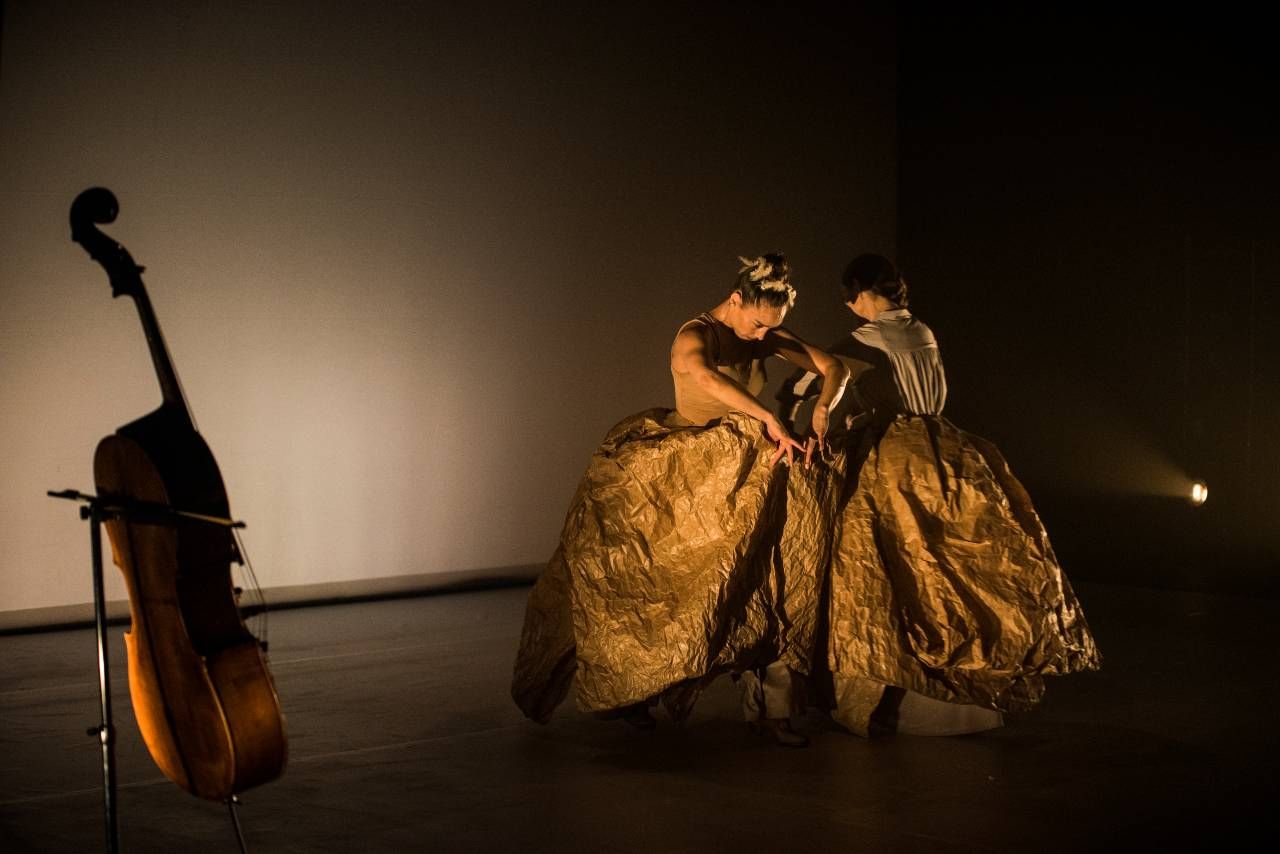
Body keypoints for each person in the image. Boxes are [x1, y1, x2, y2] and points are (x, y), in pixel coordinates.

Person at [511, 253, 850, 747]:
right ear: (736, 300)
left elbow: (832, 366)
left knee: (773, 578)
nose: (762, 337)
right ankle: (630, 691)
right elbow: (705, 378)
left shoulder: (765, 333)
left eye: (772, 328)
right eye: (757, 324)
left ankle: (773, 711)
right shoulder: (695, 334)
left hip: (751, 470)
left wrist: (823, 405)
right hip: (692, 470)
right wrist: (768, 417)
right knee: (664, 586)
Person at [779, 254, 1101, 736]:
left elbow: (811, 377)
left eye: (852, 298)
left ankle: (883, 688)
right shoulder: (923, 331)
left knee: (882, 564)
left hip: (896, 455)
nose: (851, 307)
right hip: (945, 448)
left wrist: (792, 408)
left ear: (864, 294)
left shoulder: (867, 338)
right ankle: (961, 689)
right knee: (950, 561)